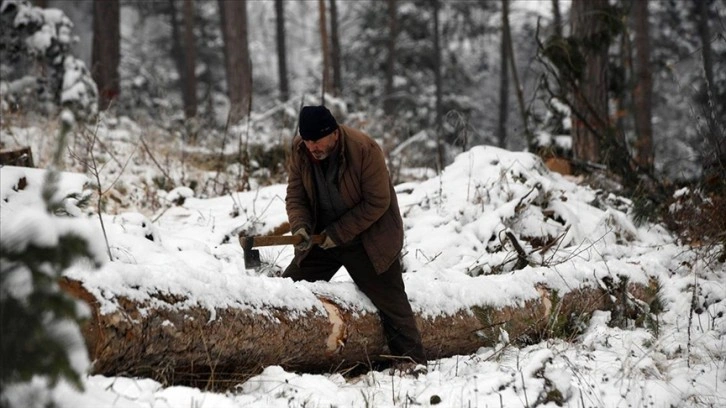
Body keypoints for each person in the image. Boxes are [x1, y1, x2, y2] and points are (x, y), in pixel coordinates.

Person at [283, 105, 426, 372]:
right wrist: (301, 227)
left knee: (392, 304)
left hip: (367, 238)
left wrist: (338, 234)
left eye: (317, 140)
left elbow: (377, 202)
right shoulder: (301, 150)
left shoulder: (364, 149)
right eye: (308, 140)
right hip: (322, 238)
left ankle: (412, 363)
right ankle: (280, 358)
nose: (312, 146)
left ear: (334, 133)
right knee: (289, 291)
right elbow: (296, 196)